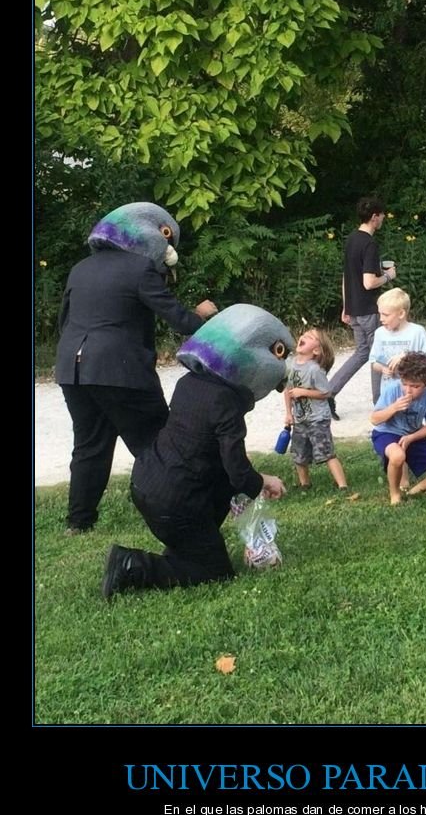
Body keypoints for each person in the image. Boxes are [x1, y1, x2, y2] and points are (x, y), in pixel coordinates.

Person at [101, 304, 293, 598]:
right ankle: (132, 565)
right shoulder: (226, 402)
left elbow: (210, 453)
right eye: (279, 352)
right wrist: (263, 481)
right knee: (214, 573)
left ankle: (192, 544)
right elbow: (238, 472)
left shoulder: (189, 383)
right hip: (174, 499)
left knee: (215, 501)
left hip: (148, 480)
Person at [55, 202, 218, 535]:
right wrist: (204, 314)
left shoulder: (80, 268)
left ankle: (79, 521)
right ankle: (180, 504)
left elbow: (64, 322)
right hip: (121, 370)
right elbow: (180, 320)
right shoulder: (140, 269)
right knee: (158, 441)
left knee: (89, 445)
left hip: (73, 369)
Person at [328, 196, 397, 418]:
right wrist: (388, 276)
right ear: (374, 217)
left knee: (361, 354)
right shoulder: (369, 244)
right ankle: (381, 403)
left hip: (354, 308)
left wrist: (346, 306)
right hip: (368, 309)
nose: (384, 218)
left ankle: (328, 393)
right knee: (378, 355)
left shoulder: (351, 240)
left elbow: (347, 276)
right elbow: (369, 282)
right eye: (382, 215)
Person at [370, 351, 426, 506]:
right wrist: (394, 408)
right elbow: (374, 419)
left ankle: (416, 489)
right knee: (397, 456)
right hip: (386, 433)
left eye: (415, 386)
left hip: (412, 435)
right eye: (405, 384)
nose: (408, 390)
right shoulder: (392, 390)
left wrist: (412, 438)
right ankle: (395, 494)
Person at [369, 287, 426, 490]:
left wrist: (405, 356)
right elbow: (373, 362)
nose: (381, 319)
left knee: (409, 429)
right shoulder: (380, 334)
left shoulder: (417, 332)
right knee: (392, 431)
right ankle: (401, 481)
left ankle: (414, 470)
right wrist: (383, 369)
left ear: (401, 313)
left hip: (412, 393)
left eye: (385, 315)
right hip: (390, 392)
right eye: (380, 314)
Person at [283, 327, 348, 492]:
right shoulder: (290, 365)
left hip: (318, 418)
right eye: (304, 334)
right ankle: (305, 484)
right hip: (300, 418)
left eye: (310, 337)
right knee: (299, 453)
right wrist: (288, 413)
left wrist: (303, 392)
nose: (303, 336)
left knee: (326, 451)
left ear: (317, 350)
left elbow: (326, 392)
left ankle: (342, 485)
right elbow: (288, 390)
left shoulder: (314, 369)